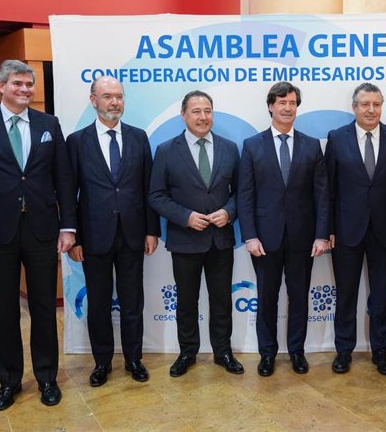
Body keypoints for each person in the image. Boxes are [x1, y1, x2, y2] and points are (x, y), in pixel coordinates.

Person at [0, 59, 77, 410]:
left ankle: (47, 378)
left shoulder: (48, 124)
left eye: (29, 85)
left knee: (43, 307)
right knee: (4, 310)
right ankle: (9, 382)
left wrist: (67, 226)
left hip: (41, 230)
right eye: (18, 84)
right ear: (2, 86)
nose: (25, 90)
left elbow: (63, 178)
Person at [66, 76, 160, 387]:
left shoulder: (138, 137)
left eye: (119, 96)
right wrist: (74, 238)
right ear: (93, 100)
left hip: (133, 234)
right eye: (107, 96)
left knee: (133, 301)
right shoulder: (77, 141)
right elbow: (69, 193)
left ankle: (134, 359)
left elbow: (149, 189)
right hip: (93, 237)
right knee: (99, 302)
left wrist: (151, 231)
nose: (114, 102)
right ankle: (102, 362)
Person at [148, 90, 243, 377]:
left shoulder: (229, 148)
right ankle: (187, 351)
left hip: (220, 240)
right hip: (185, 240)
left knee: (221, 300)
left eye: (208, 111)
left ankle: (222, 351)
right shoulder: (166, 150)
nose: (203, 117)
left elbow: (241, 193)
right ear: (184, 115)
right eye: (196, 111)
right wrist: (185, 217)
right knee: (187, 301)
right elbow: (156, 195)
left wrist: (229, 211)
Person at [237, 81, 329, 376]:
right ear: (270, 106)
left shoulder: (312, 145)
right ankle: (267, 354)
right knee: (267, 297)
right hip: (264, 239)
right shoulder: (252, 145)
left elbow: (322, 194)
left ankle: (297, 352)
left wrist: (320, 234)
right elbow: (245, 195)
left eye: (292, 103)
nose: (287, 108)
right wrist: (249, 235)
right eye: (282, 103)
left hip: (303, 238)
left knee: (299, 296)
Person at [324, 83, 386, 375]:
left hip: (384, 229)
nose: (371, 110)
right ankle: (343, 350)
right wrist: (328, 228)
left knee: (381, 294)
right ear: (354, 107)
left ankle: (381, 351)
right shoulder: (337, 138)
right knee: (346, 294)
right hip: (346, 230)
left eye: (376, 104)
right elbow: (328, 188)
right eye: (365, 104)